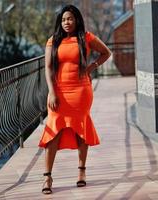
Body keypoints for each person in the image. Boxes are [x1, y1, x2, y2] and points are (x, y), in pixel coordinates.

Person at [38, 4, 111, 195]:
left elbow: (106, 53)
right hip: (58, 91)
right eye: (63, 20)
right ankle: (47, 176)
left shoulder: (86, 37)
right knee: (53, 130)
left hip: (80, 91)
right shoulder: (52, 41)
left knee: (81, 129)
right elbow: (48, 68)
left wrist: (91, 67)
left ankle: (81, 172)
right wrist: (52, 92)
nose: (66, 23)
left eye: (70, 18)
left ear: (76, 19)